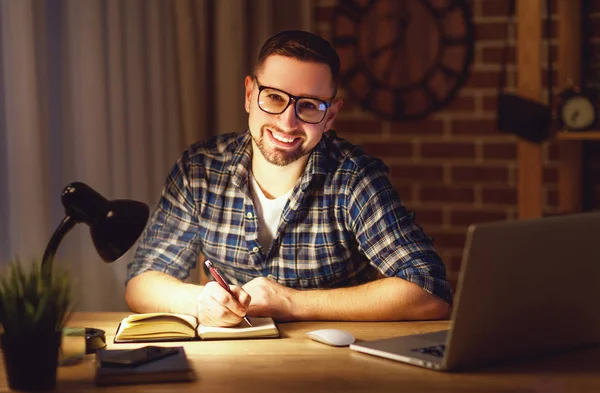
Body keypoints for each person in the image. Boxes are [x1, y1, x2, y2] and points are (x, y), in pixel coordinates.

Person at [125, 30, 452, 327]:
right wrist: (199, 301)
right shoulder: (199, 169)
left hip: (335, 367)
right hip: (229, 365)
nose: (287, 122)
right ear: (250, 95)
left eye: (309, 106)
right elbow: (142, 281)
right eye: (274, 97)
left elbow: (430, 291)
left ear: (331, 116)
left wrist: (289, 302)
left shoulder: (354, 178)